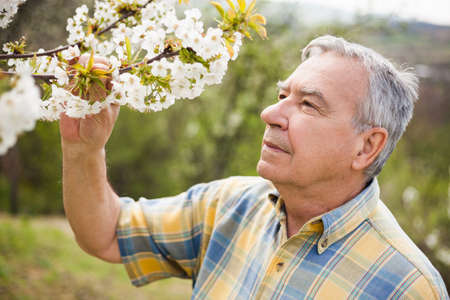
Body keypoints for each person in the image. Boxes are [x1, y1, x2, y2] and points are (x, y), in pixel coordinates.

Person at [60, 35, 448, 299]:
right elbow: (107, 235)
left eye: (308, 105)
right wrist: (83, 150)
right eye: (282, 95)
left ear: (367, 146)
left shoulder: (407, 286)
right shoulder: (228, 204)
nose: (269, 113)